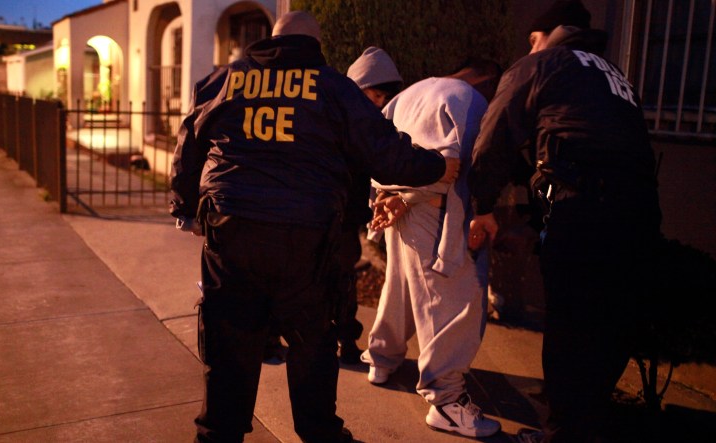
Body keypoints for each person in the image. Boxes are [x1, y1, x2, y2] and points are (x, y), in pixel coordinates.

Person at [170, 11, 458, 443]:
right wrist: (439, 165)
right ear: (315, 45)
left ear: (271, 40)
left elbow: (189, 142)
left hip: (232, 230)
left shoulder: (222, 81)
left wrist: (186, 208)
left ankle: (217, 435)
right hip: (305, 236)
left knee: (230, 339)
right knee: (311, 342)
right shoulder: (333, 88)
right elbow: (386, 152)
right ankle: (320, 433)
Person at [467, 1, 662, 442]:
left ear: (548, 34)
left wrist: (482, 206)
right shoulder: (614, 75)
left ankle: (560, 434)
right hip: (639, 217)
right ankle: (582, 427)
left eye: (532, 40)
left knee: (569, 328)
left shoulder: (544, 63)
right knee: (607, 329)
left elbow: (494, 137)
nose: (529, 47)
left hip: (583, 213)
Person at [360, 57, 503, 438]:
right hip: (437, 213)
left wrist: (390, 197)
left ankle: (382, 359)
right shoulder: (470, 100)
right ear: (484, 77)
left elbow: (376, 150)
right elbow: (456, 164)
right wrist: (409, 197)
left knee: (401, 287)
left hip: (397, 207)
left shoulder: (406, 95)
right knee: (456, 303)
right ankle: (446, 401)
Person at [264, 46, 404, 365]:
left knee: (342, 282)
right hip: (308, 215)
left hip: (342, 219)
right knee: (293, 279)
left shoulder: (367, 124)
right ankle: (274, 337)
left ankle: (345, 340)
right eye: (374, 94)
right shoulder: (323, 112)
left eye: (384, 97)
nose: (379, 103)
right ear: (358, 87)